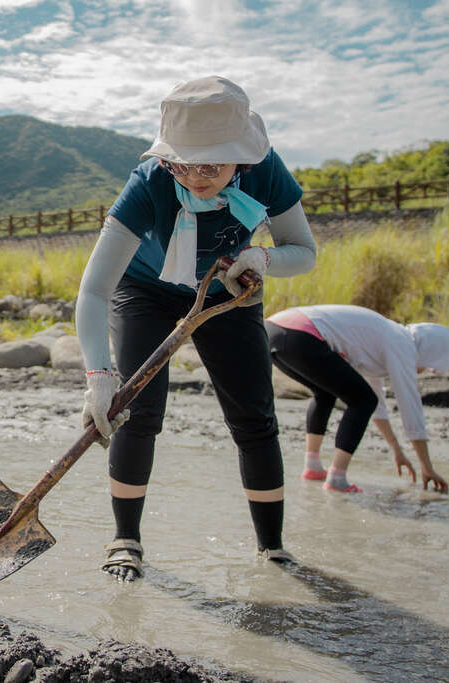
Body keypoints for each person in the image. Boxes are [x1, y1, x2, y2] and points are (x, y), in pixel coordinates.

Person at [77, 75, 317, 581]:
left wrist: (262, 257)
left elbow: (305, 252)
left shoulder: (266, 173)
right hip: (146, 292)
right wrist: (100, 377)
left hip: (227, 289)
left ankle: (271, 548)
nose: (194, 176)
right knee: (138, 414)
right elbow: (95, 290)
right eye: (180, 163)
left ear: (242, 156)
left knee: (254, 417)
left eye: (210, 164)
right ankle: (125, 540)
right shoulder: (149, 182)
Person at [265, 304, 449, 494]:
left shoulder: (384, 341)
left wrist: (396, 450)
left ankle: (313, 468)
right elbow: (410, 406)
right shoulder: (402, 344)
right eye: (430, 365)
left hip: (273, 331)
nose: (424, 371)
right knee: (361, 400)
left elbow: (377, 405)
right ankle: (337, 479)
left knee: (328, 393)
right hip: (300, 334)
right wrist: (427, 467)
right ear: (431, 350)